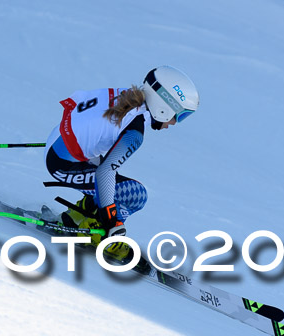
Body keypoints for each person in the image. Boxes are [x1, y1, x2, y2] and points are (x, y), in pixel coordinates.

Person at [43, 66, 199, 262]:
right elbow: (104, 172)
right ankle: (99, 234)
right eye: (179, 115)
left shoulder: (124, 96)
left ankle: (77, 216)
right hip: (63, 164)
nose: (174, 123)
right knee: (136, 194)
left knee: (110, 181)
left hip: (56, 143)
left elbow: (79, 108)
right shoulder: (135, 132)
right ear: (164, 106)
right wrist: (111, 220)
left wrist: (75, 140)